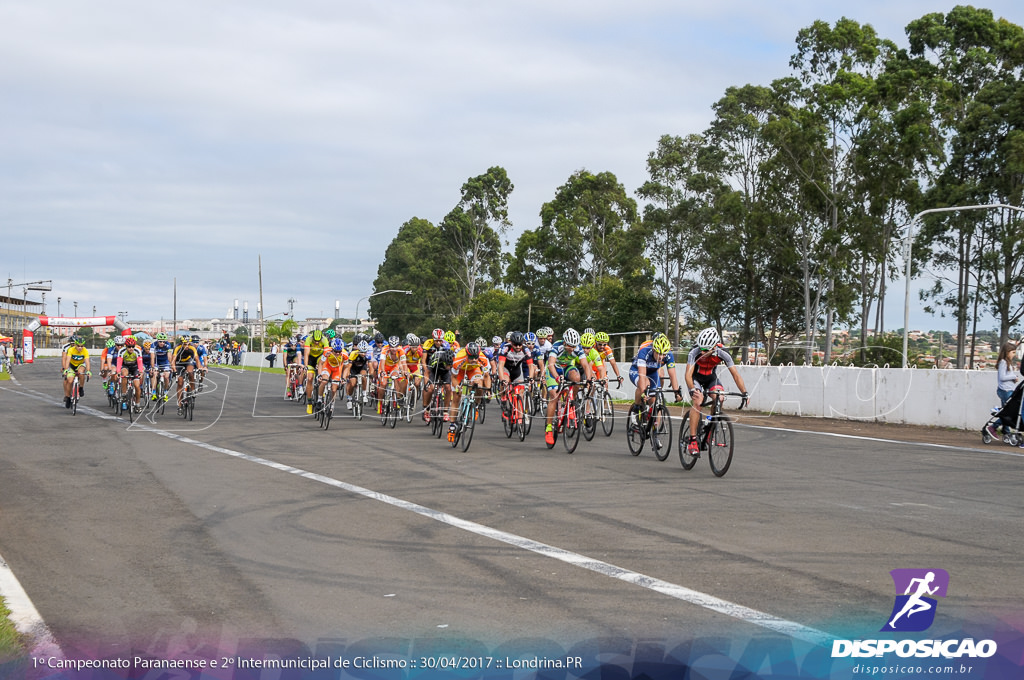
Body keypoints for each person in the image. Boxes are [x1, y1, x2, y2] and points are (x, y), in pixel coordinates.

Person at [683, 328, 748, 455]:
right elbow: (688, 375)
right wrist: (692, 389)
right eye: (701, 349)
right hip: (695, 378)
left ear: (714, 346)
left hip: (711, 378)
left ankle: (710, 428)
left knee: (720, 398)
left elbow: (735, 374)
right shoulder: (694, 352)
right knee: (698, 401)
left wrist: (744, 392)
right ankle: (692, 440)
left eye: (706, 350)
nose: (702, 352)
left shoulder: (723, 352)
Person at [996, 342, 1018, 407]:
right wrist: (1014, 377)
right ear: (1007, 352)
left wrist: (1013, 379)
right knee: (1008, 413)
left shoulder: (1007, 363)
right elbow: (1002, 377)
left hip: (1008, 390)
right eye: (1013, 352)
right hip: (1006, 391)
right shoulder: (1003, 362)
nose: (1014, 354)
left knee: (1006, 413)